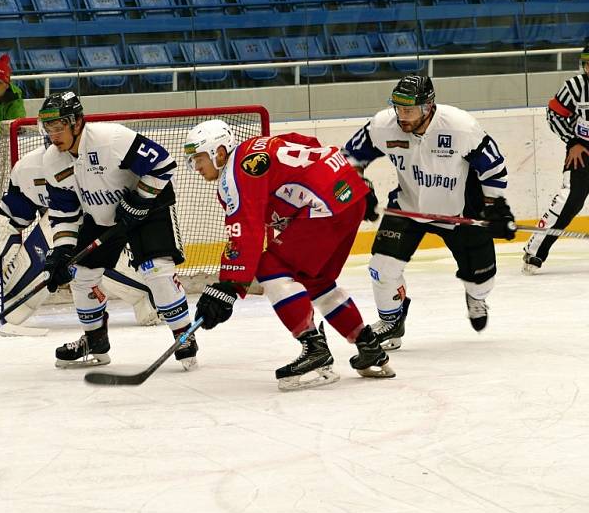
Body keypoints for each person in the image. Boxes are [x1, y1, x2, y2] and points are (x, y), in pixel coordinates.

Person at [184, 119, 394, 391]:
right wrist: (353, 179)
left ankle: (314, 348)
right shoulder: (258, 147)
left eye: (199, 159)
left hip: (324, 207)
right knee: (316, 281)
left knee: (270, 267)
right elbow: (312, 146)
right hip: (347, 194)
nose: (196, 168)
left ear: (219, 152)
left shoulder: (237, 172)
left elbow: (245, 230)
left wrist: (229, 285)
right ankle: (368, 347)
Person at [342, 74, 516, 350]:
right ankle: (391, 321)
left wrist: (495, 207)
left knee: (482, 280)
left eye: (409, 109)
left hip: (459, 213)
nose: (402, 115)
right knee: (381, 269)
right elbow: (349, 158)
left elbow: (493, 167)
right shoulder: (383, 125)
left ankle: (476, 297)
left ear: (429, 106)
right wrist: (361, 188)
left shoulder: (460, 127)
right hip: (408, 207)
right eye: (398, 107)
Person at [37, 91, 198, 370]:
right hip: (102, 217)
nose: (53, 134)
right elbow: (65, 212)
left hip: (146, 210)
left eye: (59, 126)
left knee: (156, 271)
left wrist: (138, 200)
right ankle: (95, 341)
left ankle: (183, 335)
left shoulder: (110, 139)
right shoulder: (53, 161)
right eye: (48, 127)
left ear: (77, 123)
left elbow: (163, 164)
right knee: (81, 274)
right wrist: (61, 252)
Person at [0, 121, 160, 330]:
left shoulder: (100, 154)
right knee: (16, 301)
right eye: (50, 133)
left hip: (108, 228)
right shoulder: (28, 168)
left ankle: (153, 295)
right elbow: (15, 216)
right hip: (62, 229)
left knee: (116, 271)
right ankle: (11, 305)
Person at [522, 42, 589, 274]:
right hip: (583, 154)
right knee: (569, 200)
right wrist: (573, 141)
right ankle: (535, 251)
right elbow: (554, 114)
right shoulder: (575, 86)